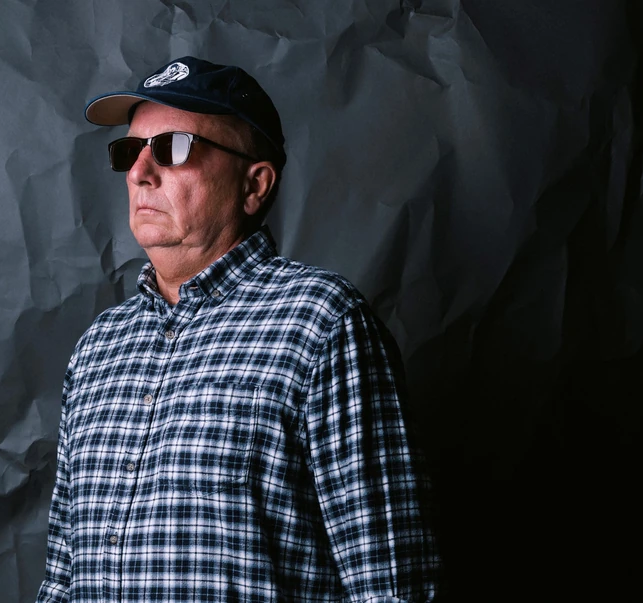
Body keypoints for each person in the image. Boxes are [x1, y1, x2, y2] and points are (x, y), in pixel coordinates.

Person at [37, 56, 441, 603]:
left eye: (173, 148)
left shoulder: (320, 324)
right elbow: (62, 579)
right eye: (130, 151)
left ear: (254, 184)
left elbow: (389, 587)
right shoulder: (99, 350)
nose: (139, 173)